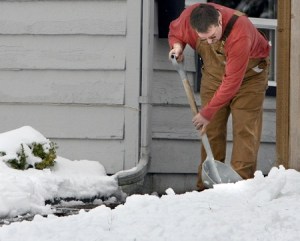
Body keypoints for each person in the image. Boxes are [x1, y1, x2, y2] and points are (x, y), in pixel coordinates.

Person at [168, 3, 270, 191]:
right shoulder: (190, 17)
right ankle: (205, 188)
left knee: (245, 130)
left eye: (213, 37)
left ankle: (241, 187)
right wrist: (177, 47)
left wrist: (206, 112)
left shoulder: (241, 32)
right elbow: (175, 32)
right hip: (214, 76)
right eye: (203, 39)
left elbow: (232, 82)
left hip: (249, 78)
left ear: (220, 21)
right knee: (212, 130)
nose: (209, 42)